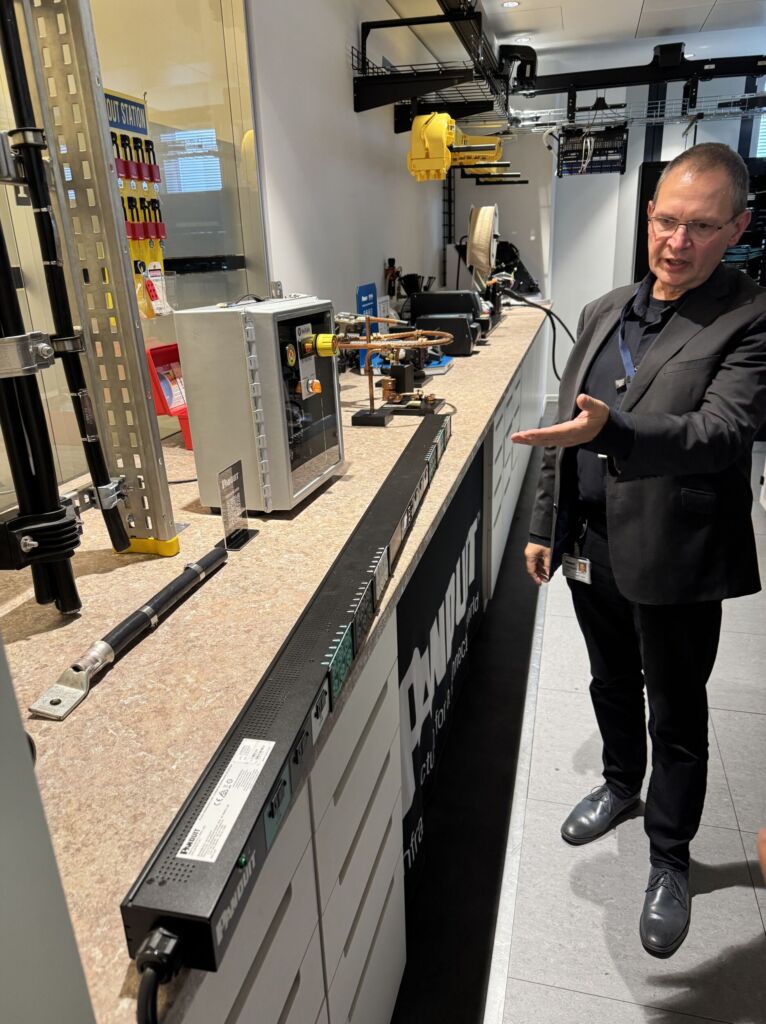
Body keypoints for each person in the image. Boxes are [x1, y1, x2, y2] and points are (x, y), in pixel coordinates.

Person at [512, 143, 766, 958]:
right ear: (649, 214)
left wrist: (616, 430)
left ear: (737, 228)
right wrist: (545, 526)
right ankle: (621, 784)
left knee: (677, 712)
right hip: (593, 546)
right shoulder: (604, 309)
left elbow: (721, 431)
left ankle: (669, 858)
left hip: (677, 549)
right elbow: (564, 429)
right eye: (667, 221)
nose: (677, 242)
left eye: (702, 227)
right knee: (611, 680)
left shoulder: (750, 316)